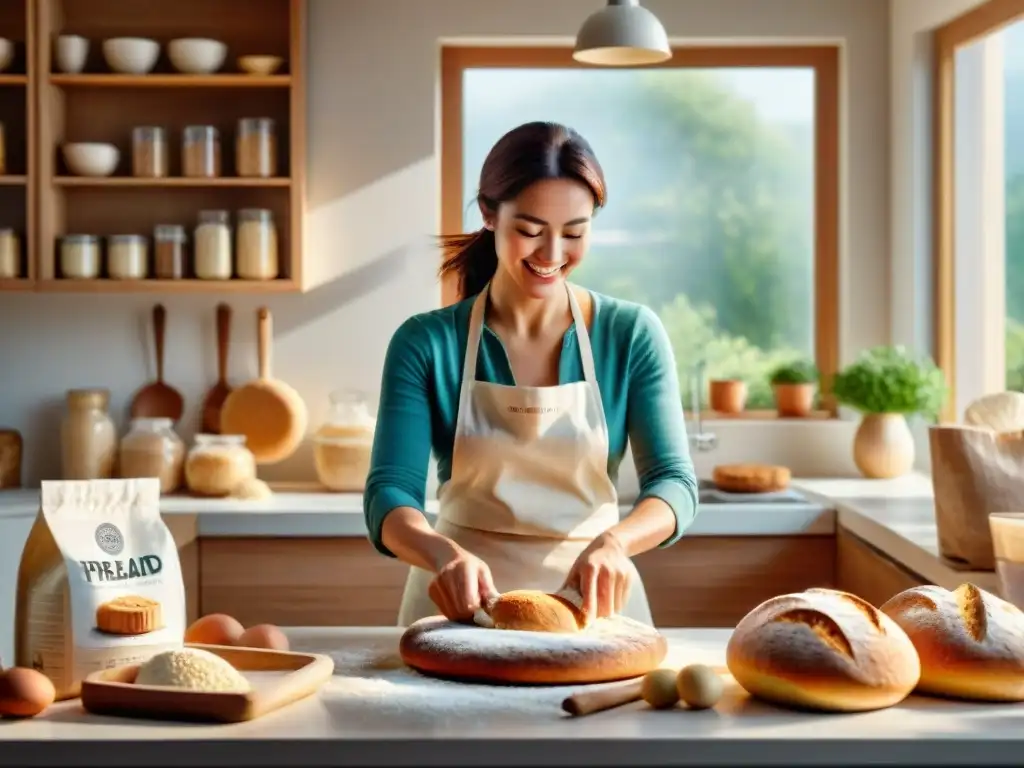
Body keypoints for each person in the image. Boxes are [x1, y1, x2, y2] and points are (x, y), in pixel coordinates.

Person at [363, 121, 699, 628]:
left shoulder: (630, 335)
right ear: (488, 214)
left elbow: (674, 484)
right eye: (530, 231)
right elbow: (389, 493)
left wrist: (617, 543)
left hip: (597, 611)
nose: (552, 255)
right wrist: (439, 554)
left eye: (575, 233)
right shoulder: (426, 343)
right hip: (458, 614)